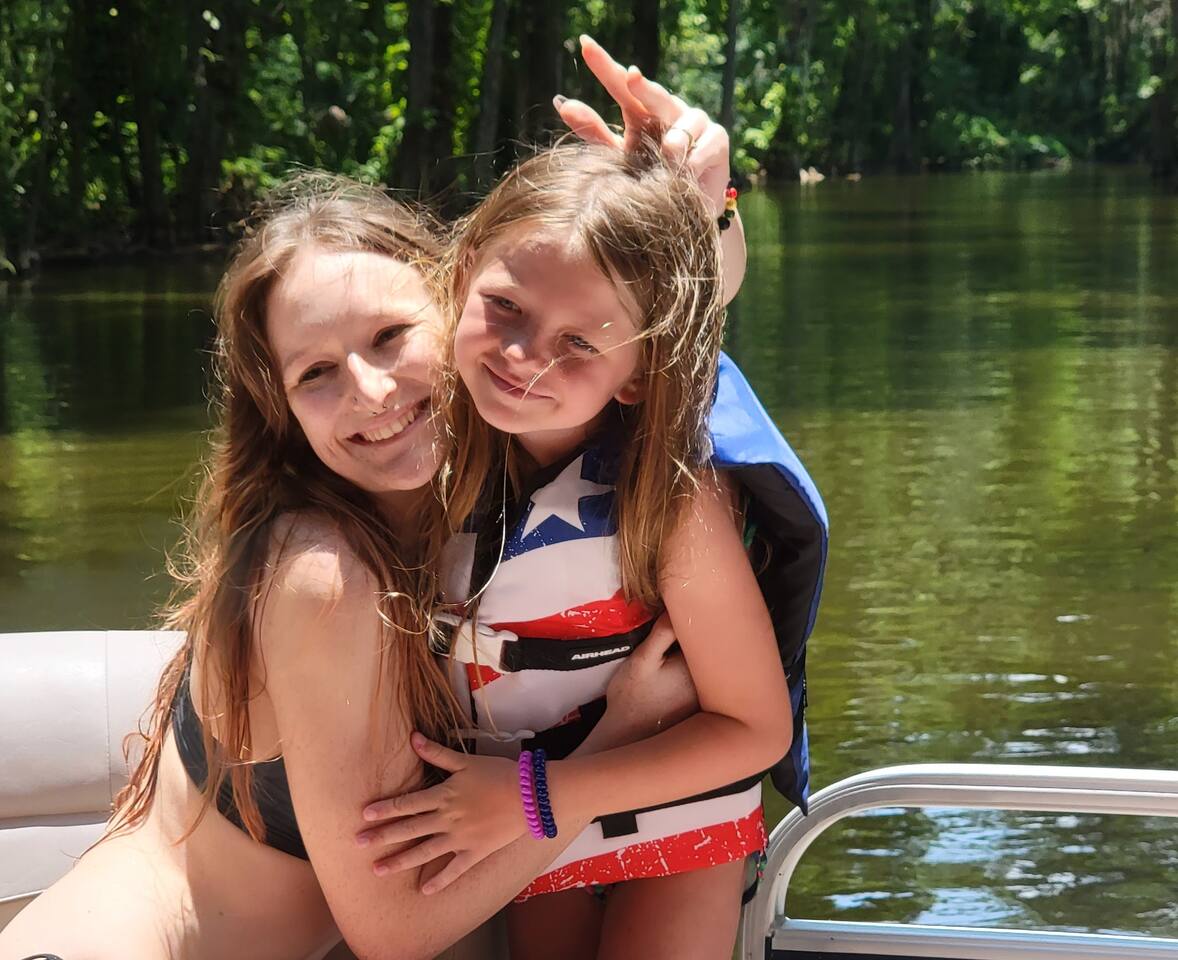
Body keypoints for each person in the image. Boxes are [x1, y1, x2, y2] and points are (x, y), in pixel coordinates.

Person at [0, 41, 758, 960]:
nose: (369, 392)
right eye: (316, 373)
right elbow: (394, 930)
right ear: (282, 410)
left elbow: (641, 323)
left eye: (391, 336)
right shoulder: (322, 573)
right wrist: (612, 739)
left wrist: (705, 203)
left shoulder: (482, 467)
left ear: (460, 300)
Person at [352, 105, 814, 960]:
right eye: (504, 307)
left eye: (577, 345)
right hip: (516, 818)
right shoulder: (422, 448)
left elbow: (756, 728)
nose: (524, 356)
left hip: (663, 812)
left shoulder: (670, 499)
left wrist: (537, 799)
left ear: (637, 376)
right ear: (461, 274)